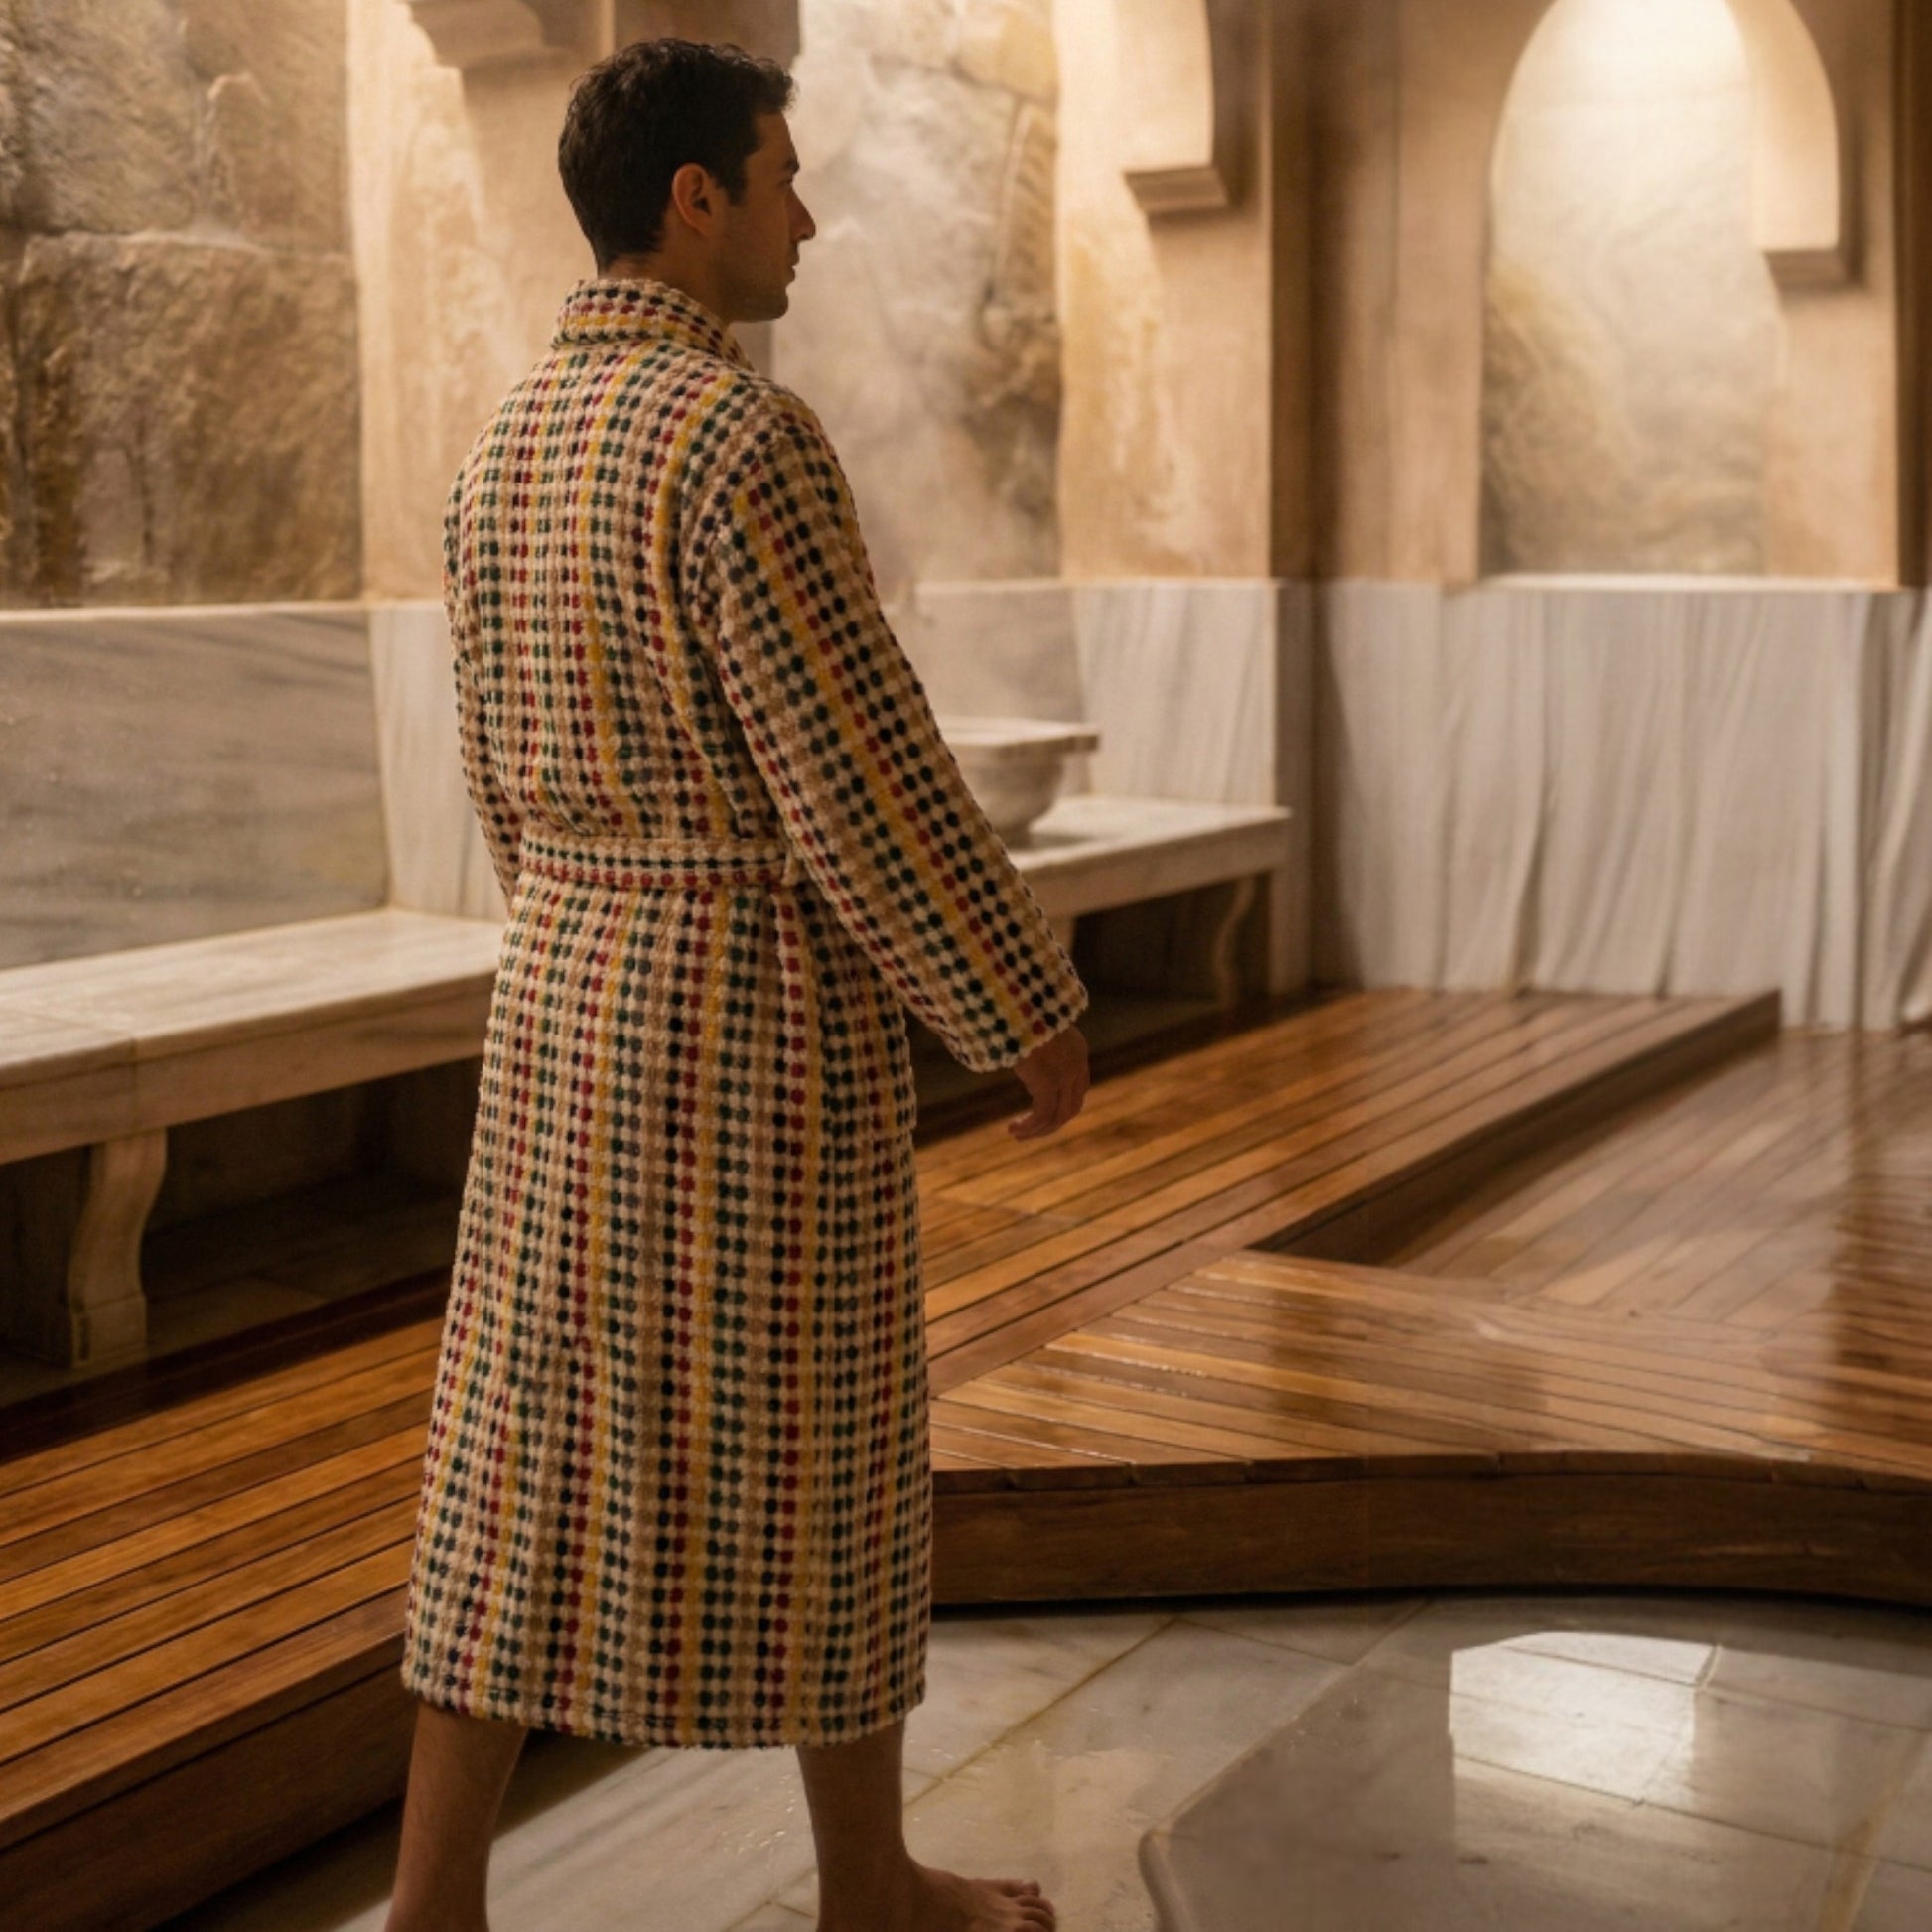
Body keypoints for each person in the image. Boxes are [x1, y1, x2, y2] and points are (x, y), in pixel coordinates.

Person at [383, 36, 1089, 1932]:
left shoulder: (496, 450)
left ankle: (435, 1904)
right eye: (780, 175)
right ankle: (868, 1890)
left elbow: (493, 777)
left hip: (562, 1009)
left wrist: (583, 936)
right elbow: (857, 771)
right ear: (692, 200)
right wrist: (1022, 999)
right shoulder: (737, 441)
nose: (807, 213)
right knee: (825, 1447)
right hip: (743, 1025)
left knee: (516, 1452)